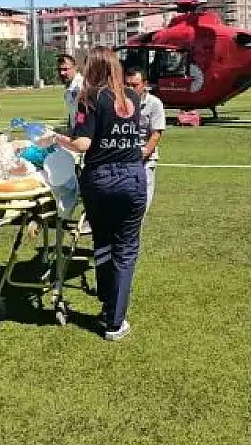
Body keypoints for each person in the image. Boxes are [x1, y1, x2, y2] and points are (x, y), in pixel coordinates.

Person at [54, 46, 147, 341]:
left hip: (100, 180)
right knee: (126, 248)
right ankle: (114, 320)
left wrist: (55, 137)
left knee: (103, 243)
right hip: (131, 177)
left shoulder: (89, 98)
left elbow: (82, 143)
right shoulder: (133, 96)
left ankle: (109, 305)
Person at [124, 67, 166, 211]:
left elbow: (156, 134)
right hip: (123, 161)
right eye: (127, 85)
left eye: (134, 85)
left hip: (145, 161)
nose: (130, 89)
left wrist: (141, 155)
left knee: (140, 208)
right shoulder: (119, 103)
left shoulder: (154, 104)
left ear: (145, 84)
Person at [57, 54, 83, 133]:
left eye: (65, 69)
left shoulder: (80, 86)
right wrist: (69, 128)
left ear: (75, 68)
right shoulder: (70, 88)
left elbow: (83, 112)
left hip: (83, 134)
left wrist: (79, 130)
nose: (62, 73)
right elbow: (72, 112)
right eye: (59, 69)